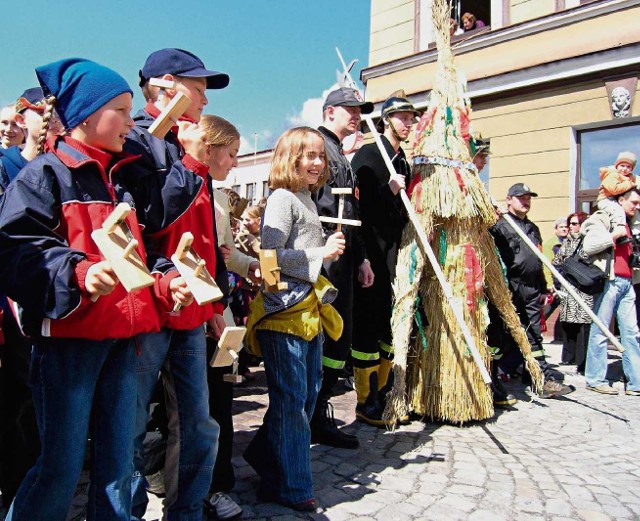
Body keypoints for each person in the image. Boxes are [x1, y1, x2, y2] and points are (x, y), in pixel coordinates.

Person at [0, 58, 184, 521]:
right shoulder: (43, 176)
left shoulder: (122, 181)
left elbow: (139, 257)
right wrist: (79, 274)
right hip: (68, 347)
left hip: (125, 343)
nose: (131, 120)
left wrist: (163, 283)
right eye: (120, 110)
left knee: (120, 464)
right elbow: (17, 250)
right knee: (60, 468)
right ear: (85, 114)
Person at [124, 48, 230, 521]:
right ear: (167, 84)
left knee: (197, 423)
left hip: (190, 307)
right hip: (149, 305)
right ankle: (123, 511)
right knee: (128, 423)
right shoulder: (135, 138)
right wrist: (188, 163)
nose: (205, 102)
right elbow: (147, 222)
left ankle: (186, 511)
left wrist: (214, 300)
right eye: (200, 90)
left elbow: (202, 238)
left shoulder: (188, 143)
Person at [243, 127, 345, 512]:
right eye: (310, 155)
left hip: (308, 311)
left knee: (306, 396)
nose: (318, 162)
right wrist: (321, 253)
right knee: (291, 400)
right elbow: (269, 259)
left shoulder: (306, 197)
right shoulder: (283, 198)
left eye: (321, 155)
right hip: (283, 314)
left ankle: (266, 459)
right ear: (291, 159)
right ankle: (293, 487)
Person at [200, 113, 261, 521]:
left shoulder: (220, 199)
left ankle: (217, 484)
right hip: (194, 310)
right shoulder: (185, 190)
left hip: (220, 313)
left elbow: (224, 255)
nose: (235, 162)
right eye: (232, 154)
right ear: (210, 149)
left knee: (220, 399)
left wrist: (251, 265)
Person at [311, 87, 374, 448]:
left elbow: (352, 213)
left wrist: (362, 256)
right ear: (330, 110)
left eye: (359, 109)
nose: (356, 115)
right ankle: (311, 416)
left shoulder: (341, 154)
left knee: (339, 335)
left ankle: (320, 412)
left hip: (345, 253)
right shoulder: (316, 145)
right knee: (327, 333)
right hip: (325, 255)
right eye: (349, 109)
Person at [350, 93, 418, 425]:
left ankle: (387, 389)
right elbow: (355, 210)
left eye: (411, 118)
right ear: (386, 120)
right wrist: (386, 190)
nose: (408, 123)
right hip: (370, 254)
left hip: (394, 255)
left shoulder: (401, 160)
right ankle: (365, 399)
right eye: (402, 117)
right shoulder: (370, 154)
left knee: (389, 326)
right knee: (368, 324)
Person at [490, 183, 574, 398]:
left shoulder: (532, 228)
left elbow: (537, 260)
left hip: (532, 288)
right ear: (509, 200)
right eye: (521, 198)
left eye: (528, 198)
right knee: (501, 335)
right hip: (509, 286)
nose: (526, 201)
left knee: (534, 335)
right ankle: (493, 378)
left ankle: (539, 378)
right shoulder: (500, 225)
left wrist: (544, 288)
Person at [581, 188, 640, 396]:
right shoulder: (602, 217)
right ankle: (595, 378)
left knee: (632, 333)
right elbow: (589, 246)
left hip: (627, 282)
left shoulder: (632, 224)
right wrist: (614, 235)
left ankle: (635, 382)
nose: (637, 206)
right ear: (620, 200)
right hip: (609, 281)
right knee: (601, 331)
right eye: (633, 202)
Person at [552, 212, 592, 373]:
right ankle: (569, 357)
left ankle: (583, 362)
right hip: (568, 285)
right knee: (568, 323)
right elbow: (558, 260)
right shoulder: (568, 241)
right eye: (570, 224)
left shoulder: (588, 240)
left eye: (575, 224)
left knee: (583, 324)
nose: (572, 227)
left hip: (583, 286)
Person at [597, 151, 639, 235]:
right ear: (617, 166)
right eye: (622, 166)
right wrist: (629, 184)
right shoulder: (611, 175)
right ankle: (619, 228)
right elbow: (614, 189)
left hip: (615, 199)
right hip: (605, 199)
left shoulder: (629, 177)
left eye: (628, 167)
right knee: (617, 211)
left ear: (631, 169)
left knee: (636, 212)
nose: (624, 169)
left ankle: (636, 231)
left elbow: (637, 181)